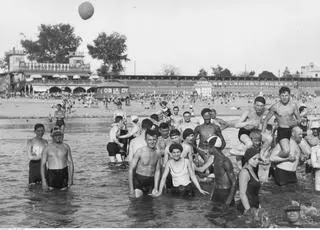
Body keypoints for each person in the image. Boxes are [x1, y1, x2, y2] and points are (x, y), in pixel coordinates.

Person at [262, 87, 301, 158]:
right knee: (286, 151)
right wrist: (263, 132)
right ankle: (273, 157)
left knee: (306, 150)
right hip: (282, 130)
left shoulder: (293, 105)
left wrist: (295, 123)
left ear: (289, 95)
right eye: (282, 95)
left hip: (292, 130)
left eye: (286, 95)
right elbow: (266, 120)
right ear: (279, 96)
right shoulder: (275, 107)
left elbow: (299, 119)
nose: (284, 97)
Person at [128, 129, 161, 198]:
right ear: (145, 140)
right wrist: (131, 189)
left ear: (157, 140)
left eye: (154, 139)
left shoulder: (158, 153)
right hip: (139, 180)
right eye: (149, 140)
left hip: (151, 181)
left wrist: (156, 187)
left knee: (154, 202)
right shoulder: (140, 151)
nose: (152, 142)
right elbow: (131, 170)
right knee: (136, 201)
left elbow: (157, 171)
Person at [238, 147, 261, 214]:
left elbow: (255, 193)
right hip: (247, 207)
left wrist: (259, 206)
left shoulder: (253, 170)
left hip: (254, 206)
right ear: (248, 159)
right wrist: (249, 211)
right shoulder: (244, 172)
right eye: (254, 159)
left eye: (258, 159)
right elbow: (242, 194)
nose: (257, 161)